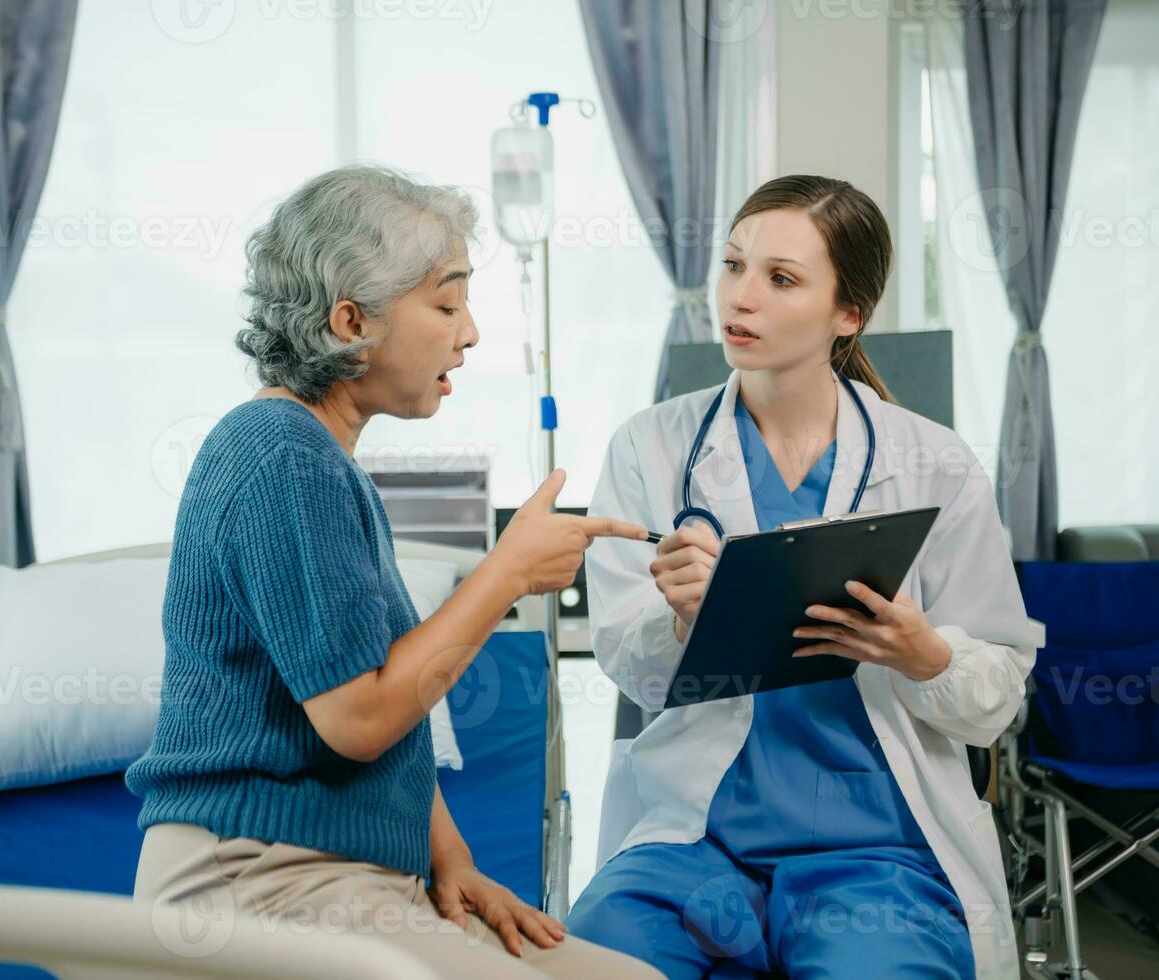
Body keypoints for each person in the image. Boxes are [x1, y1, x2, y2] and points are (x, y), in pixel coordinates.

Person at [125, 165, 659, 979]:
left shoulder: (323, 465)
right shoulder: (278, 459)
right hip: (253, 885)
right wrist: (506, 573)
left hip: (341, 880)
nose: (470, 332)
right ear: (350, 322)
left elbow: (384, 697)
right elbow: (358, 718)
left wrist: (450, 857)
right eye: (446, 304)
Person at [567, 175, 1035, 979]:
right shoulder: (650, 447)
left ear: (847, 314)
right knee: (602, 960)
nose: (739, 297)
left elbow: (999, 693)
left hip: (875, 851)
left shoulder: (932, 463)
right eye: (733, 265)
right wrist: (680, 621)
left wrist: (923, 653)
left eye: (780, 279)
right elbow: (626, 661)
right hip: (697, 841)